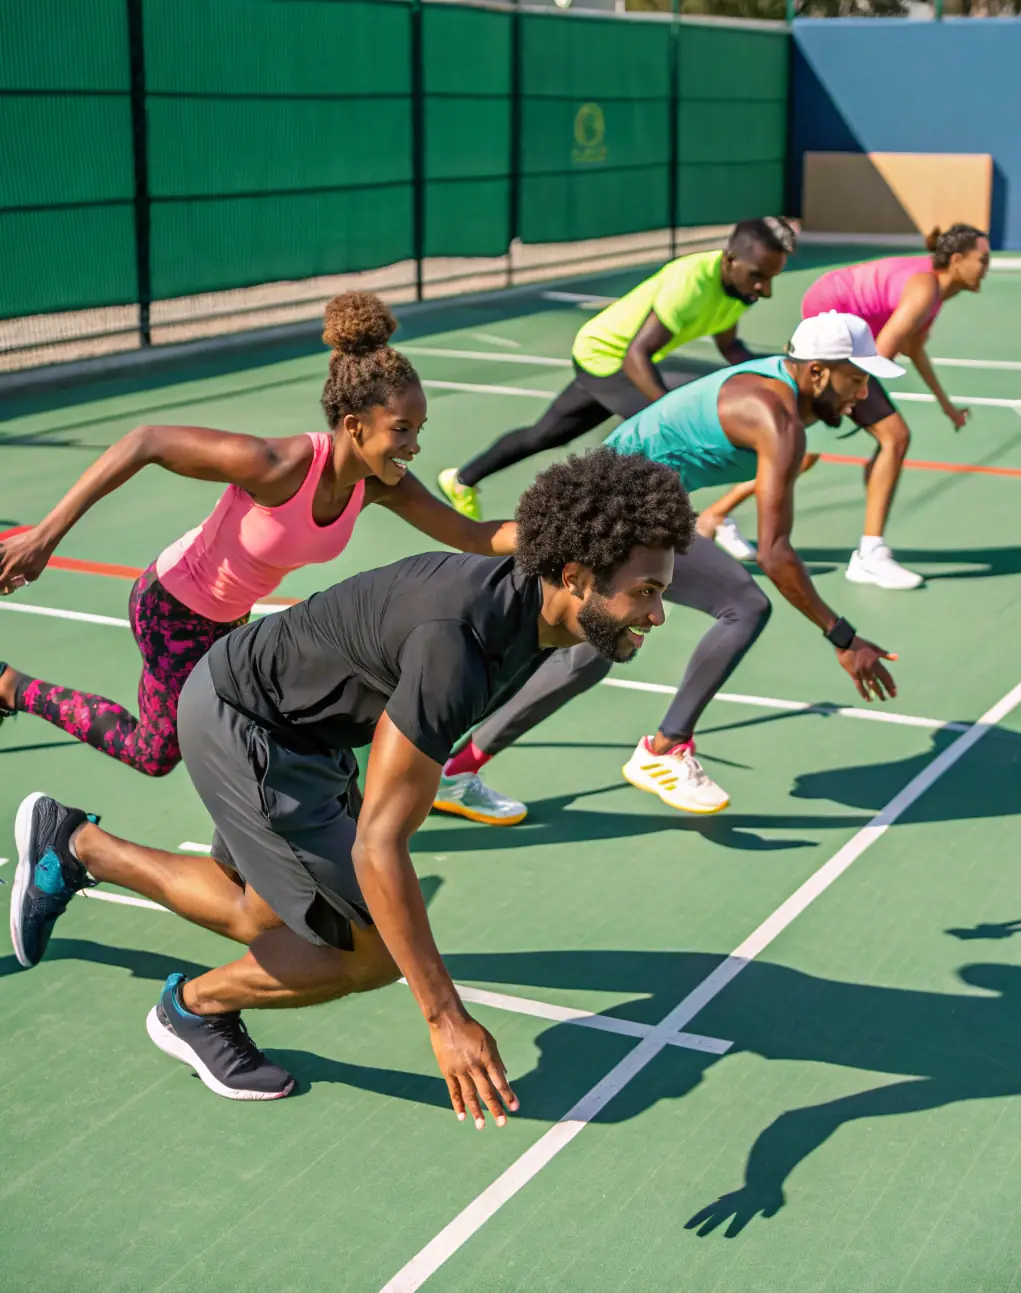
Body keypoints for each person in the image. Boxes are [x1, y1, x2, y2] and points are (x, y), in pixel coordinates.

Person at [8, 447, 694, 1113]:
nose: (658, 614)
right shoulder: (457, 644)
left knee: (262, 911)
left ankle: (76, 846)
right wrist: (445, 1016)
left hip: (298, 728)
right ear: (575, 576)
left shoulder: (537, 594)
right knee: (367, 950)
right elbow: (378, 845)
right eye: (646, 593)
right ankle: (192, 1009)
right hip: (243, 718)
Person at [0, 293, 519, 785]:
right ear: (356, 426)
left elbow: (472, 535)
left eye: (418, 429)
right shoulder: (278, 467)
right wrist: (43, 537)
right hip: (171, 607)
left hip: (231, 620)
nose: (414, 446)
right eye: (402, 430)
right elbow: (146, 442)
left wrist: (564, 529)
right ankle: (10, 687)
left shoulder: (380, 487)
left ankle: (293, 838)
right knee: (155, 754)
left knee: (266, 725)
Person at [435, 312, 902, 823]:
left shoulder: (775, 386)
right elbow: (775, 552)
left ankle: (455, 768)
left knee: (585, 652)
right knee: (743, 604)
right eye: (856, 378)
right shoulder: (778, 420)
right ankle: (665, 748)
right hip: (626, 504)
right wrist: (842, 636)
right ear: (816, 372)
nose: (863, 393)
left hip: (620, 493)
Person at [436, 218, 797, 550]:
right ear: (731, 260)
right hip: (608, 359)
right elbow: (636, 355)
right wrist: (673, 415)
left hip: (613, 357)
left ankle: (462, 478)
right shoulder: (690, 284)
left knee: (547, 435)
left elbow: (729, 346)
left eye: (770, 279)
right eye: (758, 276)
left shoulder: (739, 290)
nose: (764, 289)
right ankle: (657, 535)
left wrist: (782, 370)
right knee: (663, 444)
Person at [696, 225, 991, 588]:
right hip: (832, 333)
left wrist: (945, 404)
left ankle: (714, 516)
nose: (987, 268)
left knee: (805, 451)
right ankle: (870, 554)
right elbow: (882, 352)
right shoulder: (925, 288)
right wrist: (853, 397)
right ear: (957, 260)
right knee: (894, 437)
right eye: (983, 259)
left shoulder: (932, 295)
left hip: (835, 331)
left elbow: (912, 347)